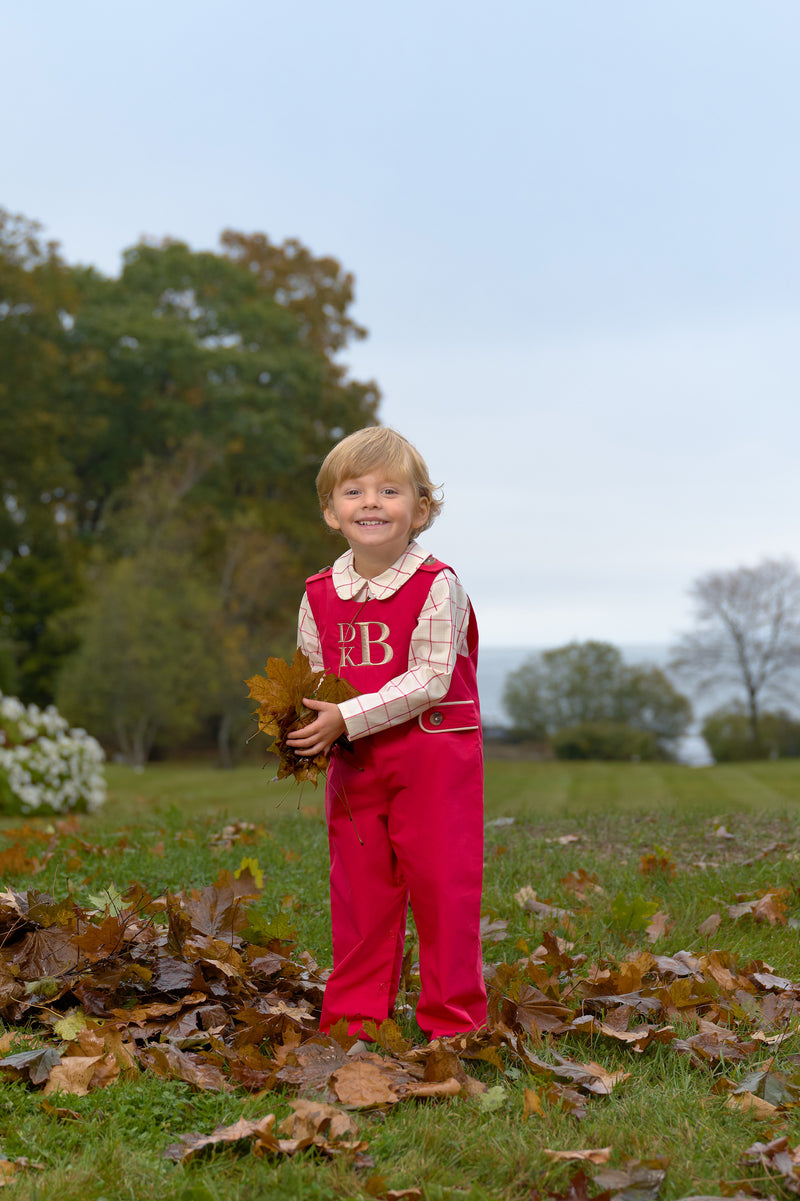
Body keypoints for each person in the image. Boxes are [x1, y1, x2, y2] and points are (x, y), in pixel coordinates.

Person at [286, 426, 486, 1041]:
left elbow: (429, 678)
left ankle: (454, 1024)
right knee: (359, 892)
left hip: (434, 760)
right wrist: (305, 725)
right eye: (354, 491)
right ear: (331, 511)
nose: (371, 502)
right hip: (357, 765)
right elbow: (311, 675)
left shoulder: (437, 585)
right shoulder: (318, 593)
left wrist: (347, 716)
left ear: (420, 509)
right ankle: (354, 1020)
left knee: (442, 887)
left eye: (390, 490)